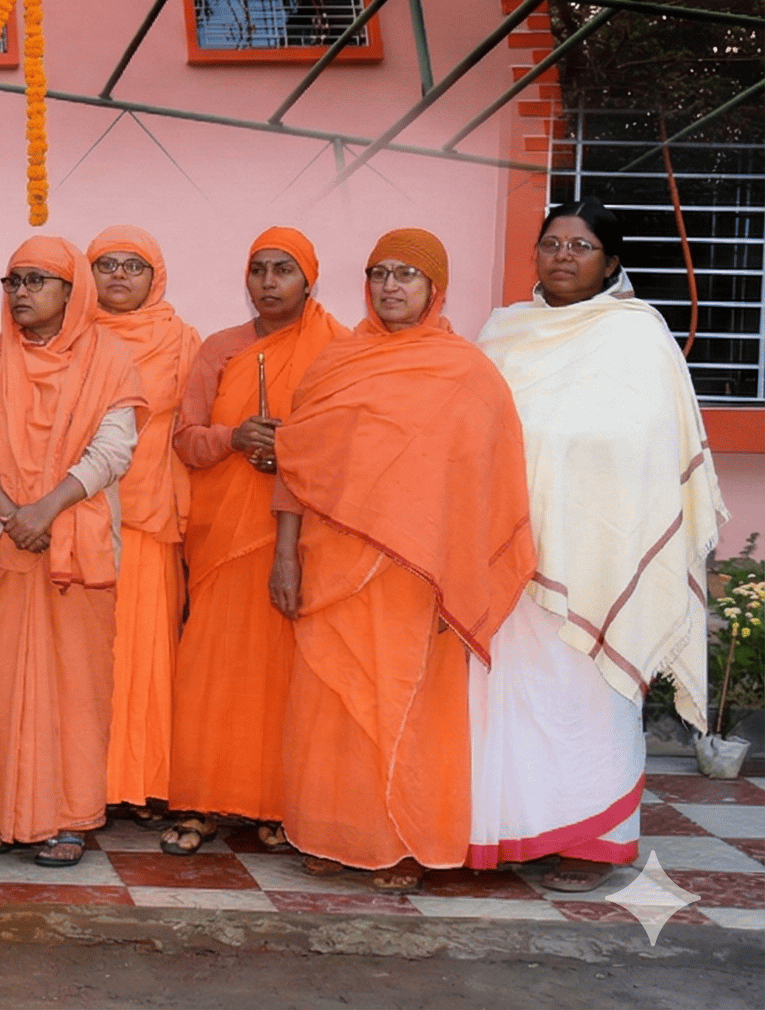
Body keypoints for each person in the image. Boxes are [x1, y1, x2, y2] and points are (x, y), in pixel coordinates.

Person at [470, 200, 723, 890]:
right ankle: (521, 832)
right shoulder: (502, 332)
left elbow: (645, 448)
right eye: (551, 244)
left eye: (580, 247)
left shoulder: (637, 337)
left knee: (590, 695)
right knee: (513, 699)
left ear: (611, 261)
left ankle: (594, 842)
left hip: (601, 557)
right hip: (510, 558)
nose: (562, 256)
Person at [270, 228, 533, 890]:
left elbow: (485, 484)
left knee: (407, 708)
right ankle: (331, 833)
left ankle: (404, 844)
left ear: (434, 289)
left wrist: (463, 575)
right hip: (331, 560)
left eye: (407, 275)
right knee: (331, 702)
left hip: (418, 573)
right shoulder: (334, 364)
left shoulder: (468, 374)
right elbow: (295, 465)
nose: (391, 286)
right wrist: (285, 555)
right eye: (380, 272)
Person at [0, 236, 146, 866]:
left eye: (37, 281)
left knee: (74, 686)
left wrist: (44, 510)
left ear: (70, 292)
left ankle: (63, 818)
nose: (21, 292)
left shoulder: (110, 360)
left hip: (74, 549)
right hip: (4, 544)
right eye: (13, 281)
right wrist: (10, 513)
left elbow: (114, 450)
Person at [162, 228, 345, 855]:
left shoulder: (337, 349)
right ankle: (200, 801)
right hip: (223, 539)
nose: (269, 283)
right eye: (258, 270)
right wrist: (235, 440)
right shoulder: (220, 349)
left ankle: (277, 804)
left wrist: (290, 452)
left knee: (286, 677)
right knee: (210, 670)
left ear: (309, 281)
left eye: (283, 271)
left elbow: (350, 445)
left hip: (302, 537)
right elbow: (185, 440)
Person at [85, 226, 199, 825]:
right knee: (89, 654)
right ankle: (87, 779)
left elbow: (197, 426)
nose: (120, 276)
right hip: (82, 515)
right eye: (107, 264)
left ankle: (148, 779)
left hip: (151, 517)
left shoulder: (183, 342)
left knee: (146, 653)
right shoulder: (72, 337)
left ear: (156, 276)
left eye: (135, 266)